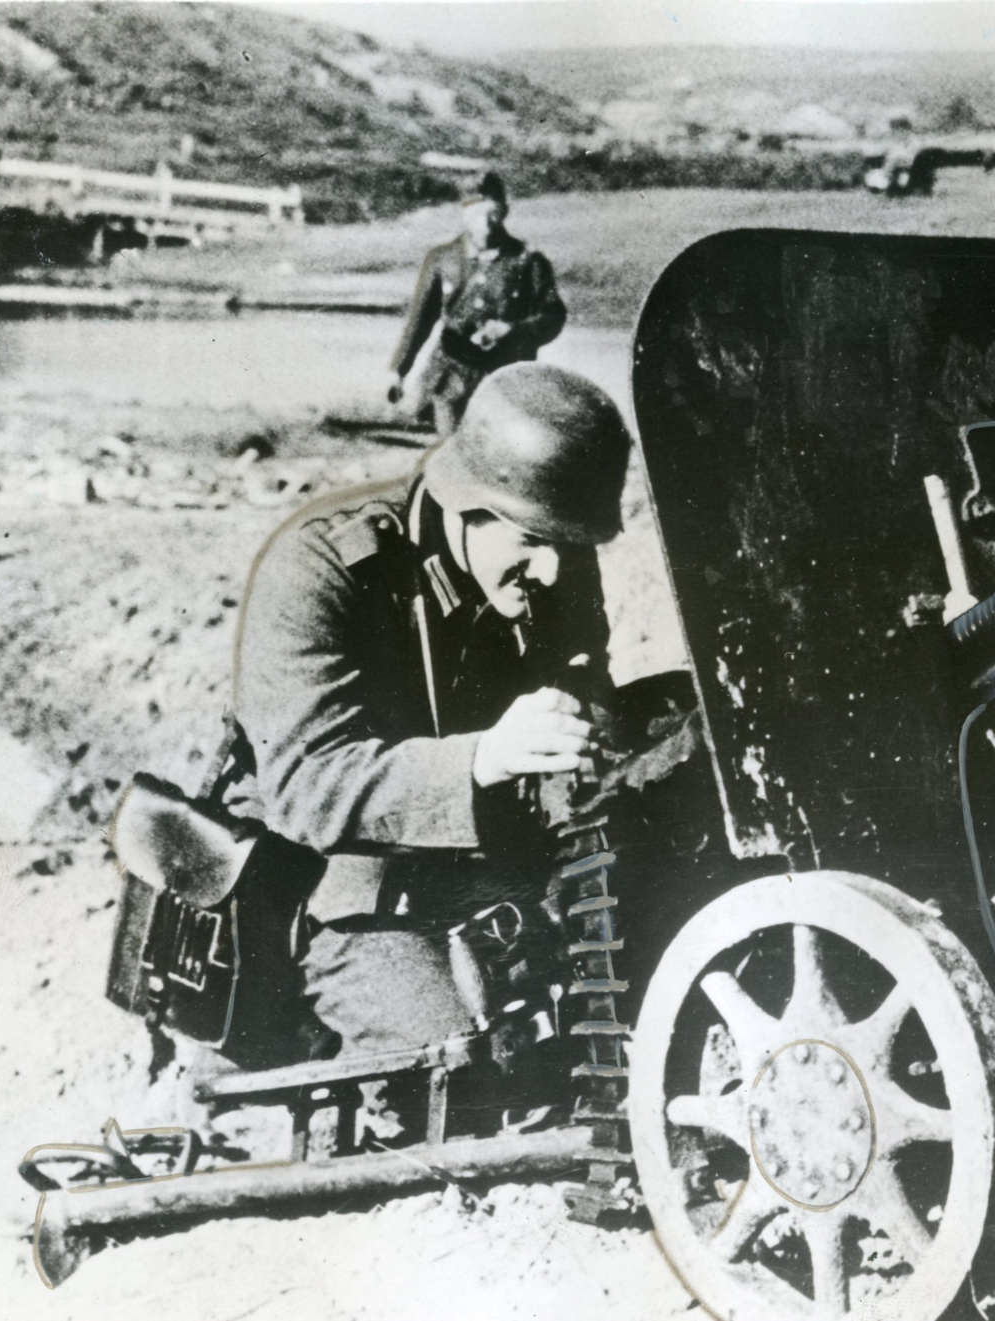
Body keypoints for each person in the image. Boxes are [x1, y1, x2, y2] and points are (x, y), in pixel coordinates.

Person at [224, 362, 679, 1065]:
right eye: (531, 541)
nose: (555, 571)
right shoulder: (324, 569)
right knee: (459, 1062)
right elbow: (303, 788)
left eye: (570, 545)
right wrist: (483, 758)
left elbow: (582, 680)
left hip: (485, 857)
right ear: (465, 507)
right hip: (331, 885)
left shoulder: (548, 550)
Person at [387, 172, 568, 437]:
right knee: (451, 453)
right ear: (464, 214)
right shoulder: (441, 258)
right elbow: (420, 319)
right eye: (476, 214)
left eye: (491, 214)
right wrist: (398, 371)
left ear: (504, 211)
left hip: (506, 382)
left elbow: (553, 316)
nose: (485, 224)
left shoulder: (529, 261)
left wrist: (513, 330)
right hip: (449, 379)